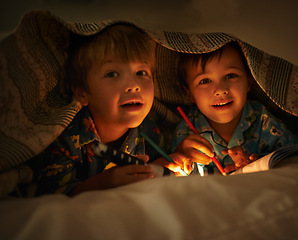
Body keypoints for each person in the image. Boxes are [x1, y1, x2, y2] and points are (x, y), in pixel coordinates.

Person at [35, 23, 191, 196]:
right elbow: (53, 196)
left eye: (141, 73)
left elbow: (154, 170)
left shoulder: (150, 132)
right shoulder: (65, 140)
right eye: (112, 74)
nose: (134, 86)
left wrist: (168, 163)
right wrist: (105, 182)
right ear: (82, 92)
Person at [171, 42, 298, 176]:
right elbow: (174, 177)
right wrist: (181, 158)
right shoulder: (186, 132)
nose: (221, 90)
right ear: (189, 94)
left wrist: (256, 164)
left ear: (248, 82)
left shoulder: (262, 120)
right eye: (205, 81)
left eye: (230, 75)